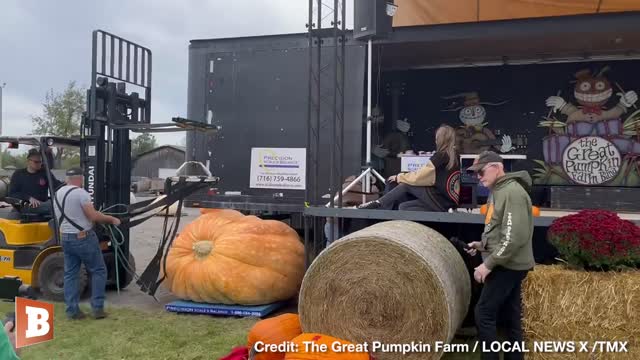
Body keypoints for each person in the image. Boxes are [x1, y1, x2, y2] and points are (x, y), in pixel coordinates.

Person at [464, 151, 535, 360]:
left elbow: (513, 237)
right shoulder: (500, 190)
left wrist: (488, 264)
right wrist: (481, 245)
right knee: (511, 317)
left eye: (481, 172)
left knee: (484, 313)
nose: (479, 177)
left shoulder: (510, 192)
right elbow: (502, 230)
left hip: (508, 264)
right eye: (476, 173)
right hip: (510, 262)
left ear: (496, 167)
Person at [52, 167, 121, 320]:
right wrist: (111, 219)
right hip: (83, 238)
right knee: (98, 270)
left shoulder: (58, 193)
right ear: (79, 178)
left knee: (70, 274)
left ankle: (72, 311)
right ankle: (97, 309)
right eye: (82, 178)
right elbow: (93, 216)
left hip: (66, 238)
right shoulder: (81, 193)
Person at [358, 124, 460, 211]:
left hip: (439, 200)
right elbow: (431, 179)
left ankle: (378, 204)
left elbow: (420, 177)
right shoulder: (454, 156)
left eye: (436, 138)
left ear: (439, 139)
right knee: (404, 207)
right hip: (446, 204)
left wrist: (399, 177)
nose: (435, 140)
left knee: (405, 185)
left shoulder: (440, 156)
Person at [8, 148, 64, 215]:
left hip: (43, 203)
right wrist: (29, 198)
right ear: (28, 161)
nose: (39, 164)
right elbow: (13, 193)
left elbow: (55, 185)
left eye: (40, 162)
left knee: (60, 203)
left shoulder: (44, 173)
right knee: (54, 207)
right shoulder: (18, 174)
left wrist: (66, 185)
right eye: (36, 162)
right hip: (27, 204)